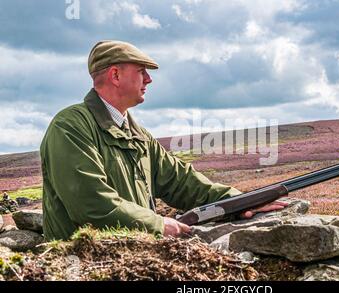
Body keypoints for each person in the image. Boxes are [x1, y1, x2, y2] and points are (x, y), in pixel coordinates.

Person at [40, 40, 288, 241]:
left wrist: (240, 201)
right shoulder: (70, 126)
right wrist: (157, 224)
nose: (149, 79)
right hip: (80, 266)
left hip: (127, 259)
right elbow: (91, 205)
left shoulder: (137, 133)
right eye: (140, 71)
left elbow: (181, 182)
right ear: (115, 75)